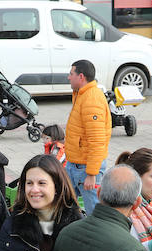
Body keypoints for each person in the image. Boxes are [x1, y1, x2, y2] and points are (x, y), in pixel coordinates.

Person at [65, 60, 111, 213]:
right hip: (74, 166)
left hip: (86, 169)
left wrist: (91, 174)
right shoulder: (81, 94)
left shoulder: (92, 99)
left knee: (94, 214)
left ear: (81, 76)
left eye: (71, 74)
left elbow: (97, 140)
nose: (68, 77)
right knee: (63, 207)